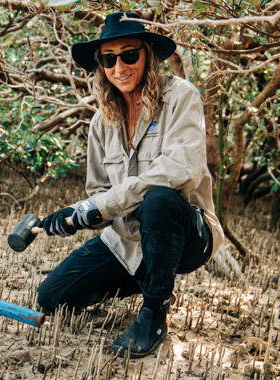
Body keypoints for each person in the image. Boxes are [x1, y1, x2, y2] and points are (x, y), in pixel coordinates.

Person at [36, 12, 224, 358]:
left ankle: (153, 314)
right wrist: (79, 217)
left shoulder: (181, 96)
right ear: (101, 66)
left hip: (188, 234)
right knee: (52, 297)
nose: (119, 66)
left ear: (148, 54)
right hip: (127, 238)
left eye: (129, 54)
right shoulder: (100, 122)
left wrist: (100, 206)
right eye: (109, 58)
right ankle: (148, 276)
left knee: (160, 199)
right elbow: (98, 193)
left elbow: (183, 167)